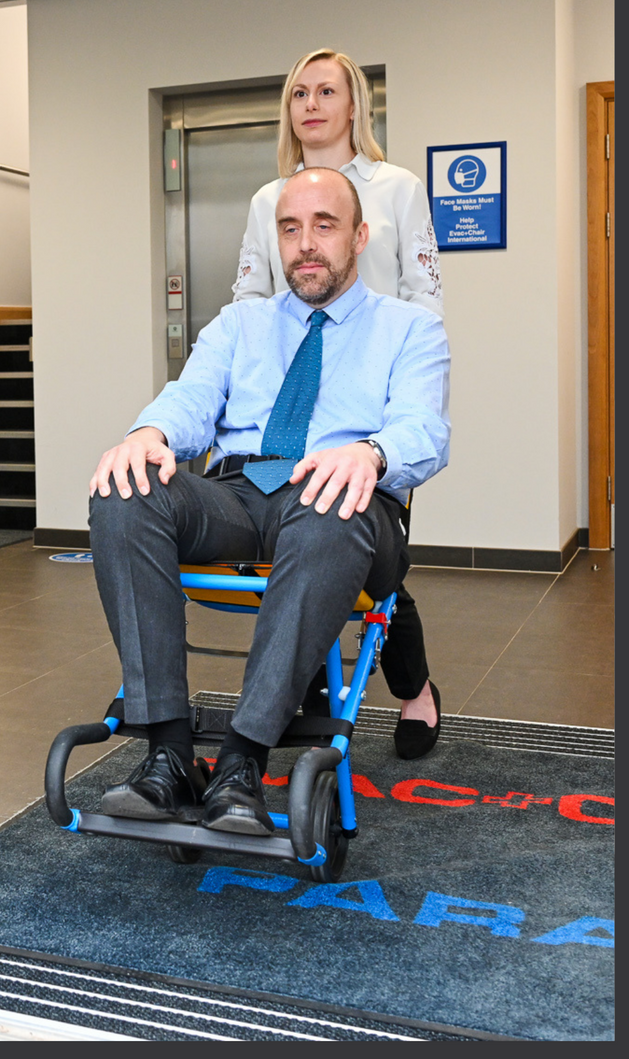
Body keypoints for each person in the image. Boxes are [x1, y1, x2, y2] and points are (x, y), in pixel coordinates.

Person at [88, 168, 449, 834]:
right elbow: (190, 400)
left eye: (324, 225)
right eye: (290, 228)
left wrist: (368, 452)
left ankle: (241, 759)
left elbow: (425, 430)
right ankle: (168, 752)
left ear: (361, 236)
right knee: (125, 486)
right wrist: (149, 432)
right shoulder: (239, 323)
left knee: (330, 503)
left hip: (342, 496)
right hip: (238, 494)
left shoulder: (408, 329)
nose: (305, 244)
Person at [233, 47, 443, 758]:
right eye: (299, 93)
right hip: (295, 404)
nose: (312, 103)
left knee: (375, 556)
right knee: (307, 541)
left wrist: (413, 403)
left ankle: (413, 687)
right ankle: (311, 685)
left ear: (356, 105)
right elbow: (249, 304)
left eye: (328, 90)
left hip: (372, 402)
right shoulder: (269, 200)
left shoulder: (397, 187)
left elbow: (425, 298)